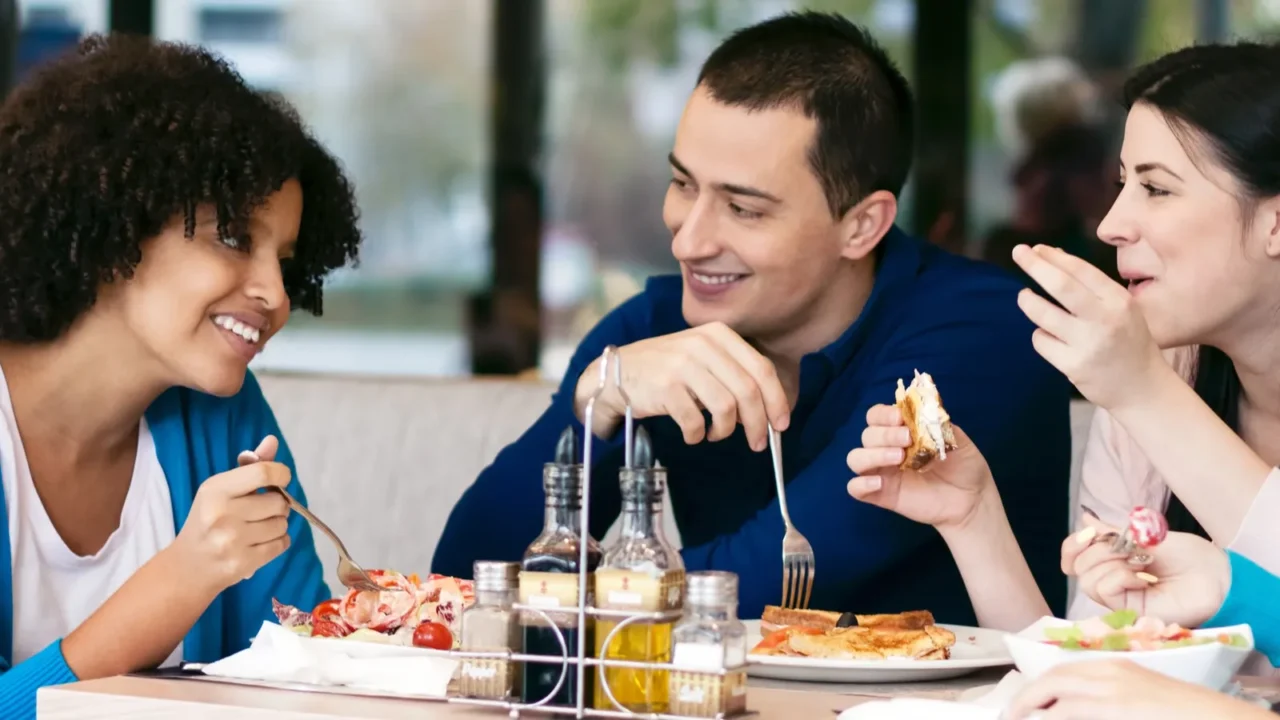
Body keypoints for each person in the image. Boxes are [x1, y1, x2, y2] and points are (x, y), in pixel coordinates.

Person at [432, 11, 1072, 622]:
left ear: (862, 225)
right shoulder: (652, 330)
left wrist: (566, 599)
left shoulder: (980, 331)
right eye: (684, 185)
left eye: (744, 209)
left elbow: (792, 565)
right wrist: (593, 408)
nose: (688, 240)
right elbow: (462, 582)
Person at [0, 35, 362, 718]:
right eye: (234, 236)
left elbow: (308, 671)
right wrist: (180, 582)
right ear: (116, 222)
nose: (277, 295)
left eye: (285, 260)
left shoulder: (221, 413)